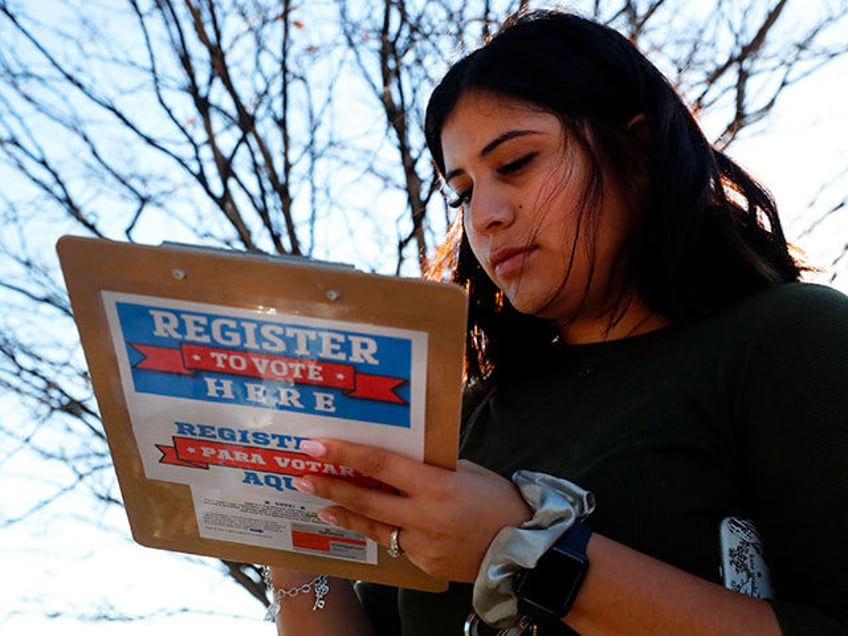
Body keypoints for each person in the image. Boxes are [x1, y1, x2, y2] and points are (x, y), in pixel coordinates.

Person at [265, 8, 848, 635]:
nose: (484, 215)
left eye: (515, 163)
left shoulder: (790, 340)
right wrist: (288, 543)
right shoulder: (461, 422)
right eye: (462, 192)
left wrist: (522, 547)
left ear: (637, 148)